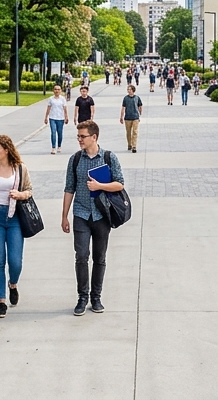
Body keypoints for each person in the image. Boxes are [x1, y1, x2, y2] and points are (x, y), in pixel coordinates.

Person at [61, 120, 124, 316]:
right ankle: (82, 297)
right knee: (81, 256)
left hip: (102, 215)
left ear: (94, 137)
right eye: (78, 136)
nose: (79, 140)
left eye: (83, 136)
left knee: (99, 257)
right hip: (80, 213)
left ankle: (96, 298)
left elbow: (120, 184)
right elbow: (69, 187)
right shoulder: (75, 159)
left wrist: (100, 187)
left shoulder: (108, 157)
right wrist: (64, 216)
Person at [0, 135, 32, 318]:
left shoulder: (20, 168)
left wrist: (20, 194)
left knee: (15, 261)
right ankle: (1, 301)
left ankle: (13, 284)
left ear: (6, 150)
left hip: (15, 217)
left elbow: (29, 191)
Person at [44, 85, 69, 155]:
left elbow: (65, 108)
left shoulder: (63, 99)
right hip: (52, 118)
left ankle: (59, 145)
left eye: (58, 89)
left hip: (60, 118)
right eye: (55, 89)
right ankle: (53, 147)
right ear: (53, 90)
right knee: (53, 132)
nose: (57, 91)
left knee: (60, 133)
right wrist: (46, 117)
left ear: (60, 90)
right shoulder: (51, 99)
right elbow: (48, 108)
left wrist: (66, 117)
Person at [120, 84, 144, 153]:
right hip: (127, 117)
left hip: (135, 117)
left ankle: (134, 146)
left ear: (133, 90)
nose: (128, 90)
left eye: (129, 89)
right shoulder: (125, 98)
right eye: (128, 89)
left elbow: (140, 106)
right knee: (128, 132)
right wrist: (121, 117)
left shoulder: (137, 98)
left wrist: (140, 113)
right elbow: (123, 108)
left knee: (135, 132)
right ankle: (129, 144)